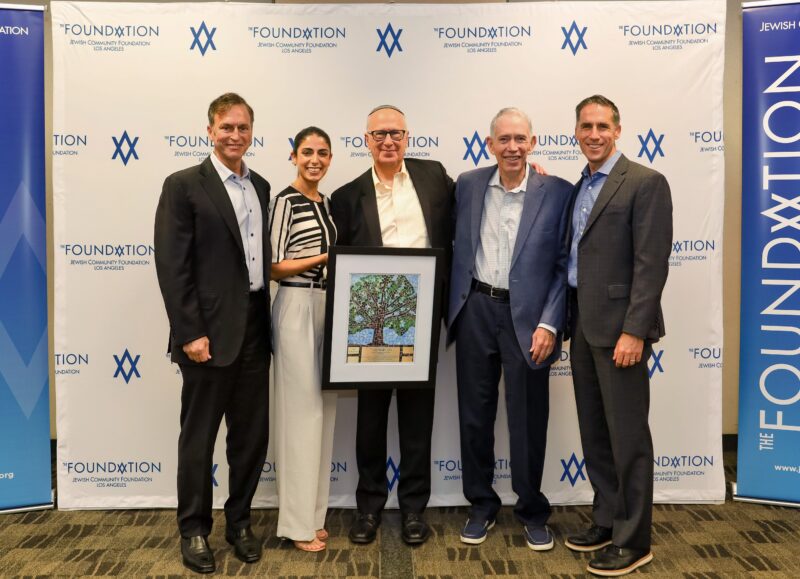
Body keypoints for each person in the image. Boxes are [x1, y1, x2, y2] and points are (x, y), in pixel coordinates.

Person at [154, 93, 270, 574]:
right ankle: (194, 530)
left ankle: (239, 522)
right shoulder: (183, 185)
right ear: (210, 130)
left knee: (250, 438)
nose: (235, 135)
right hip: (206, 338)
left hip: (257, 332)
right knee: (198, 439)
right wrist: (190, 333)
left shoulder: (260, 186)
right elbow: (172, 265)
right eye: (227, 127)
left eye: (243, 128)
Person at [447, 107, 572, 550]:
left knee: (528, 419)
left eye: (520, 139)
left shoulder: (558, 192)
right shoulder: (467, 184)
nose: (513, 147)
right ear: (490, 145)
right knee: (474, 416)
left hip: (530, 321)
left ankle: (532, 510)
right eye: (504, 139)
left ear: (533, 142)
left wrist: (550, 324)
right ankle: (481, 505)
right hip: (476, 310)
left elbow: (564, 267)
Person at [330, 105, 454, 546]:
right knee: (371, 418)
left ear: (407, 137)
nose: (388, 141)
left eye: (396, 133)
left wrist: (528, 176)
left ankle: (415, 509)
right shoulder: (345, 197)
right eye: (379, 134)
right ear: (366, 139)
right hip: (369, 327)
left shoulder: (435, 177)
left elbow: (476, 203)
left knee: (418, 420)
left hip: (422, 320)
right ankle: (368, 508)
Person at [564, 95, 672, 577]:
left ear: (618, 129)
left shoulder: (645, 182)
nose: (593, 134)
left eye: (602, 126)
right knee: (596, 434)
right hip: (584, 330)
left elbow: (651, 266)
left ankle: (634, 540)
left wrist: (634, 331)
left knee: (628, 438)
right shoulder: (578, 185)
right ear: (576, 131)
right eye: (585, 126)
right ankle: (606, 519)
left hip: (621, 333)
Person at [269, 127, 338, 553]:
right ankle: (295, 524)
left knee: (323, 411)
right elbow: (275, 266)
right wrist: (327, 258)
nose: (315, 159)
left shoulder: (325, 202)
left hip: (325, 306)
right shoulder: (284, 201)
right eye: (307, 152)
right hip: (294, 306)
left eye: (323, 153)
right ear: (293, 155)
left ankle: (314, 515)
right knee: (299, 413)